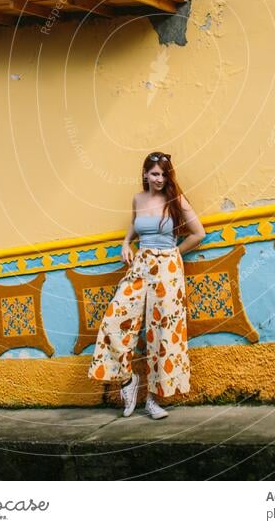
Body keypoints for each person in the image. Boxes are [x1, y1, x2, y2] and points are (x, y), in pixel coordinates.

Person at [88, 152, 205, 419]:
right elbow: (134, 225)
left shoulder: (176, 199)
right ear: (145, 174)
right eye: (154, 173)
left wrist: (175, 253)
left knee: (162, 333)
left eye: (164, 174)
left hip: (167, 270)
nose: (160, 179)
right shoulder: (138, 199)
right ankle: (129, 380)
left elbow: (199, 233)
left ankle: (153, 400)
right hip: (140, 266)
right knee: (114, 320)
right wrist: (126, 243)